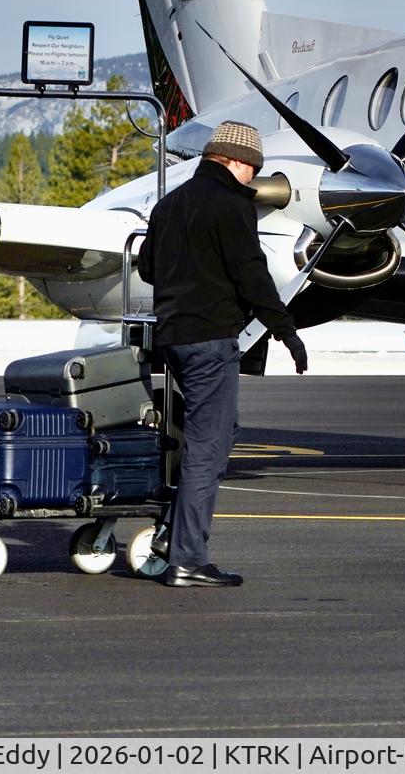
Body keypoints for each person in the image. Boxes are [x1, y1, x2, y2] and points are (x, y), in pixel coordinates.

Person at [136, 120, 308, 589]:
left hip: (172, 338)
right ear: (237, 162)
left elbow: (148, 267)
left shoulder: (169, 205)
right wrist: (285, 329)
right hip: (211, 340)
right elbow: (251, 274)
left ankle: (174, 538)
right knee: (208, 447)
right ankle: (187, 558)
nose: (254, 179)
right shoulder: (233, 207)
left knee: (217, 432)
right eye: (254, 170)